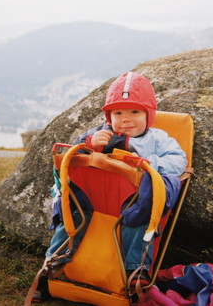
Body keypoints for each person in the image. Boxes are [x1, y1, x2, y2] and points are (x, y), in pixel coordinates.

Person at [34, 72, 187, 302]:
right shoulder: (100, 133)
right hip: (92, 202)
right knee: (71, 217)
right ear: (109, 116)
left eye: (135, 112)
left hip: (132, 203)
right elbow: (73, 155)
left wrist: (142, 161)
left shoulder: (157, 139)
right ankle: (52, 267)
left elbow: (178, 162)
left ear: (149, 114)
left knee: (139, 220)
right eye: (118, 113)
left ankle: (135, 273)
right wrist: (89, 144)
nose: (126, 119)